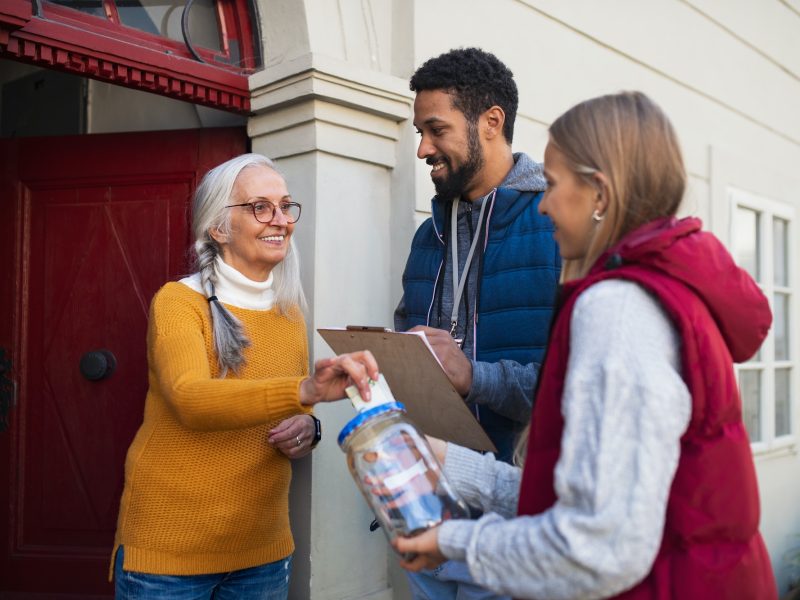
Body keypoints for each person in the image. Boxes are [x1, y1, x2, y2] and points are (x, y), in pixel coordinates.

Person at [394, 91, 778, 599]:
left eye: (552, 185)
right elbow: (578, 500)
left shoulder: (617, 308)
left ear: (599, 193)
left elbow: (597, 546)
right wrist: (447, 459)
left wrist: (454, 540)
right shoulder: (661, 287)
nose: (544, 204)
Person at [110, 153, 378, 600]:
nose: (280, 220)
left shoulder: (288, 311)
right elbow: (191, 399)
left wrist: (308, 428)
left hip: (262, 550)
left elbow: (287, 409)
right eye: (260, 207)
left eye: (285, 205)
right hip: (171, 550)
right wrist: (305, 390)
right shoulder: (179, 302)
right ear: (218, 228)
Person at [394, 47, 561, 599]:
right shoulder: (428, 236)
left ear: (491, 122)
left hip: (517, 521)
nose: (422, 149)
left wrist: (473, 377)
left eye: (435, 129)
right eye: (420, 131)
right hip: (426, 507)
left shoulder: (558, 230)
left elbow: (574, 394)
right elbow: (409, 352)